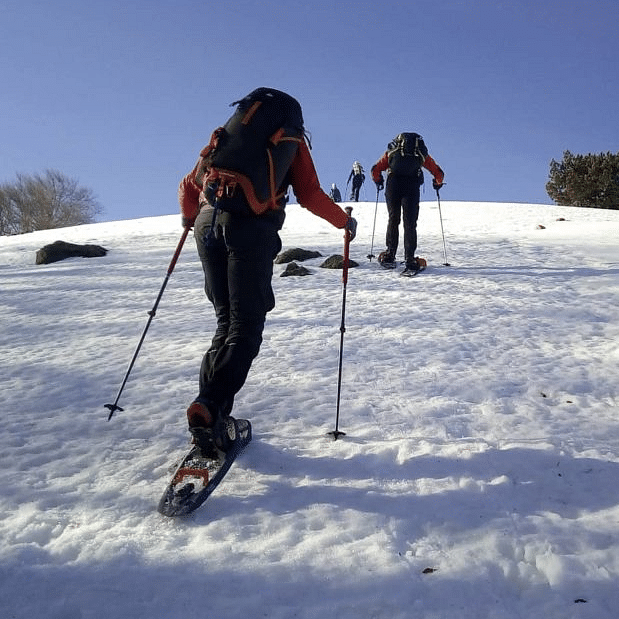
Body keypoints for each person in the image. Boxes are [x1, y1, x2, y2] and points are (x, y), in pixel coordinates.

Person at [178, 87, 357, 456]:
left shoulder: (226, 136)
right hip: (250, 230)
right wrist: (345, 223)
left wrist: (189, 216)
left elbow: (190, 184)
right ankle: (210, 409)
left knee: (226, 323)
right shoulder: (287, 140)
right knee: (245, 329)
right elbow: (310, 195)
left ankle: (209, 416)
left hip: (207, 226)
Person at [370, 133, 444, 271]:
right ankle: (410, 259)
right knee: (410, 222)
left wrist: (378, 180)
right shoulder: (420, 153)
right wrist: (437, 183)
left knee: (393, 218)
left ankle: (389, 255)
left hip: (393, 184)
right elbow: (438, 173)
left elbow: (375, 170)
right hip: (411, 186)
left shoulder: (392, 151)